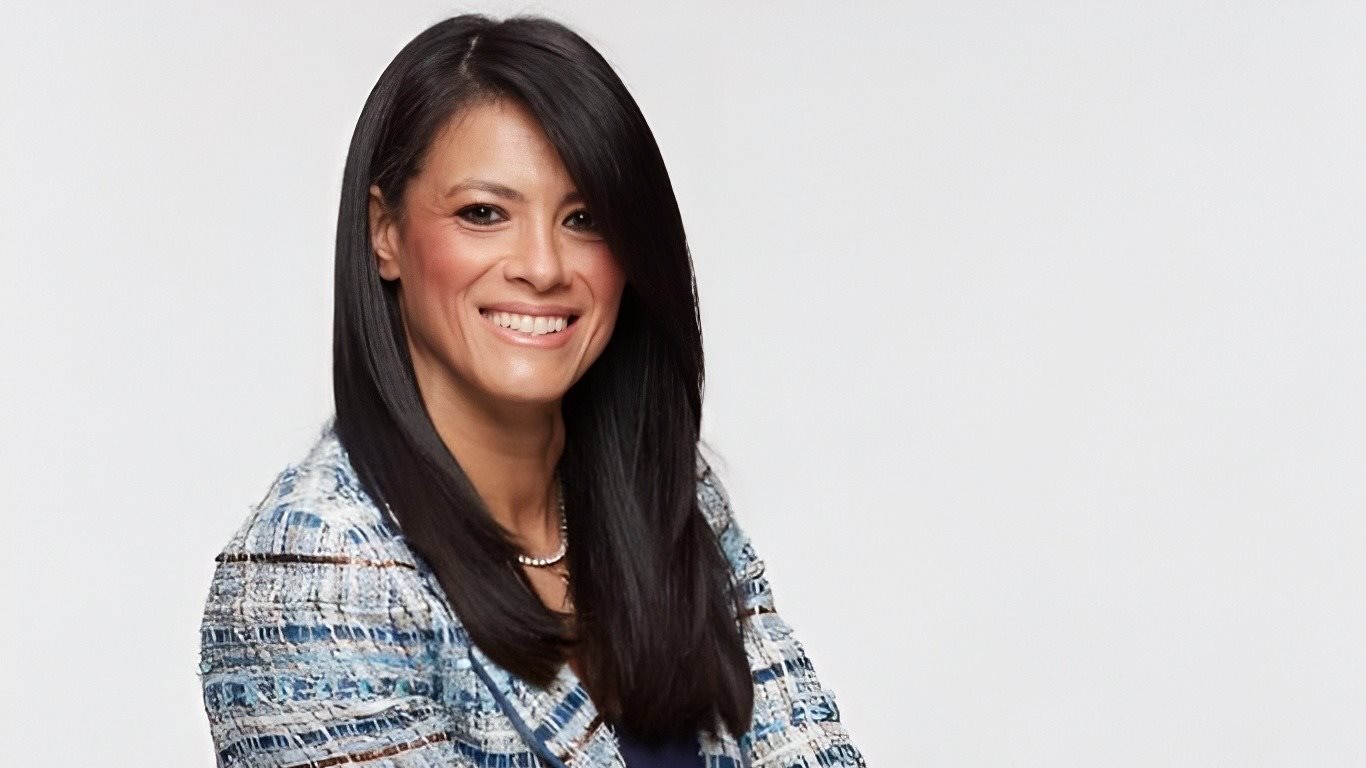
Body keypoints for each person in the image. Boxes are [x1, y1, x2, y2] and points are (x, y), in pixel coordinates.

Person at [197, 13, 866, 768]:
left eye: (584, 219)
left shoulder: (663, 495)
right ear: (385, 232)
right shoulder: (318, 573)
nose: (543, 267)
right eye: (484, 214)